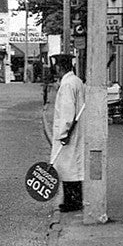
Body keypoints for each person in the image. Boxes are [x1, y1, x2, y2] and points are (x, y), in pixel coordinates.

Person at [51, 54, 85, 212]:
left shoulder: (67, 85)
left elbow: (67, 111)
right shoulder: (76, 81)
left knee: (67, 168)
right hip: (76, 131)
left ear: (60, 67)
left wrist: (63, 133)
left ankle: (72, 202)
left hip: (69, 133)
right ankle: (74, 200)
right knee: (74, 167)